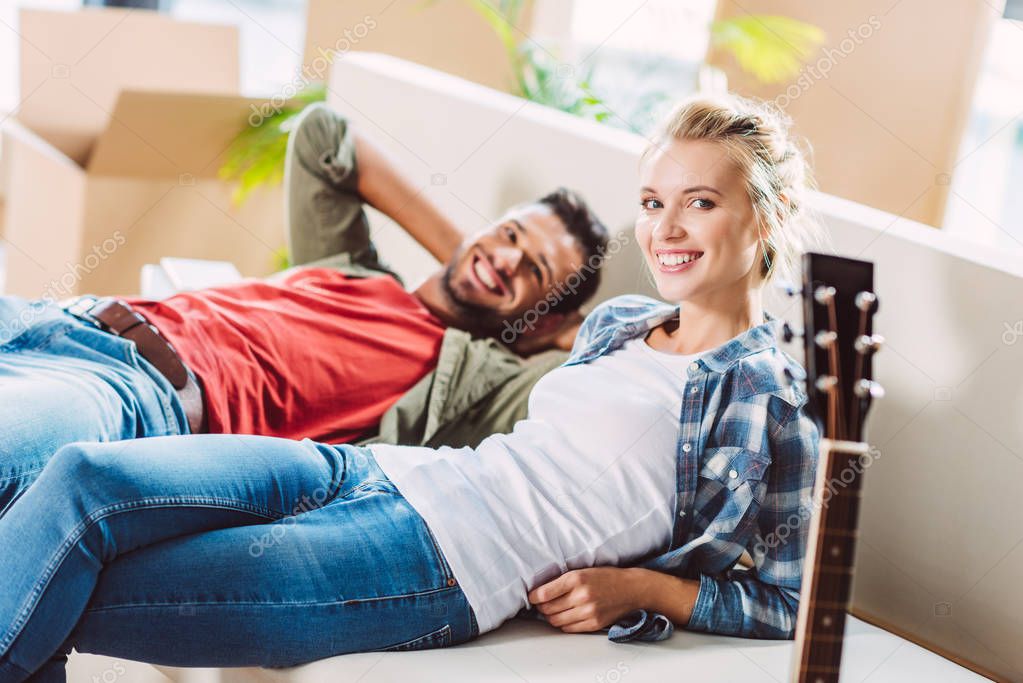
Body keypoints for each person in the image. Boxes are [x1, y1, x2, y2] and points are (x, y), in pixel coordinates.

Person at [0, 93, 823, 682]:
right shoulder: (621, 323)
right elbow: (326, 137)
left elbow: (788, 598)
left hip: (442, 561)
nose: (665, 230)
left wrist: (645, 589)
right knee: (82, 479)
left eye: (699, 203)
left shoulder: (771, 397)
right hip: (376, 472)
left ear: (767, 214)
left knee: (69, 580)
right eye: (651, 201)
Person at [0, 102, 610, 516]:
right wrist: (476, 257)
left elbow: (617, 369)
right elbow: (323, 137)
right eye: (508, 234)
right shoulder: (353, 265)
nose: (506, 259)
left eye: (534, 271)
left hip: (139, 395)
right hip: (62, 320)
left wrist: (546, 327)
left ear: (548, 316)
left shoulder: (469, 381)